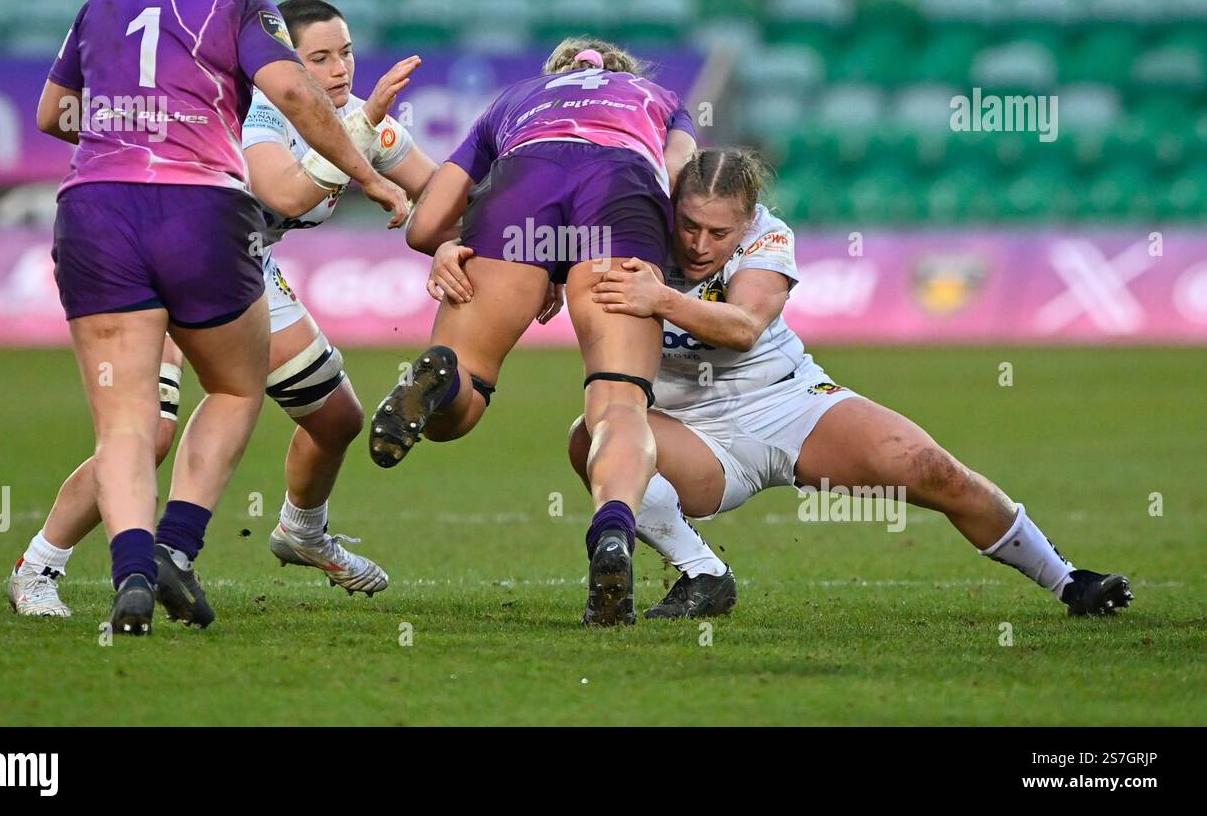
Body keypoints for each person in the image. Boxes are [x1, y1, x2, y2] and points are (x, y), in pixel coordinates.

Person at [30, 0, 408, 636]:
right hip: (198, 212)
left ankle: (132, 572)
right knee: (235, 389)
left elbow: (52, 112)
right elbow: (297, 96)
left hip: (96, 210)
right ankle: (172, 545)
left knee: (129, 422)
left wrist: (124, 130)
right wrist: (369, 174)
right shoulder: (236, 1)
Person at [561, 147, 1133, 619]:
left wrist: (659, 298)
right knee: (591, 438)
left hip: (790, 402)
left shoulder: (768, 237)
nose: (700, 245)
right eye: (688, 225)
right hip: (693, 434)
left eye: (719, 231)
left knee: (932, 468)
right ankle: (705, 575)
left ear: (749, 220)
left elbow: (742, 328)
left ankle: (1070, 583)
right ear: (671, 207)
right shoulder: (631, 235)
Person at [367, 38, 697, 626]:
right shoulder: (659, 98)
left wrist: (453, 247)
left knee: (463, 387)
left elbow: (425, 225)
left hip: (521, 187)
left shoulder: (512, 101)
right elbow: (677, 176)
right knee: (619, 400)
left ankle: (441, 381)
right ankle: (615, 531)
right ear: (621, 73)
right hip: (621, 188)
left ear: (555, 74)